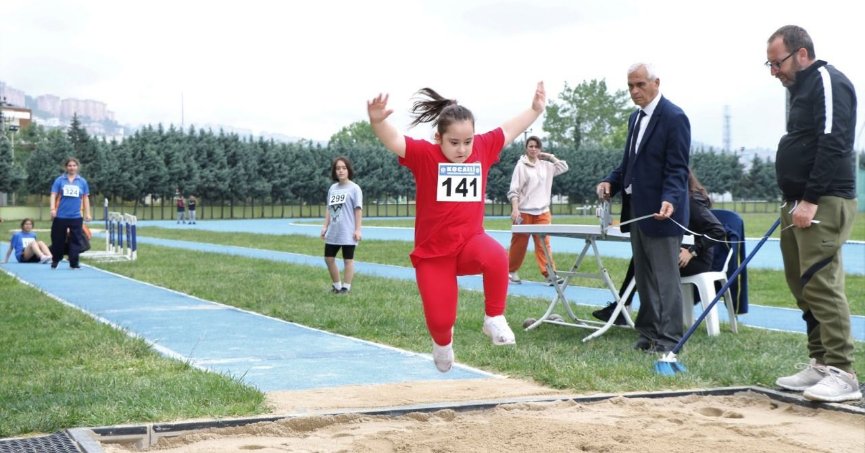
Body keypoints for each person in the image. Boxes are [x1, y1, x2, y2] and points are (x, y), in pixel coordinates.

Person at [367, 82, 545, 372]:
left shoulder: (483, 148)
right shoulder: (425, 155)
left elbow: (510, 129)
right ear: (438, 138)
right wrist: (378, 121)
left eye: (468, 141)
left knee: (497, 255)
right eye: (454, 143)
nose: (462, 149)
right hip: (434, 253)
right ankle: (442, 343)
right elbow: (395, 140)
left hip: (469, 244)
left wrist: (535, 110)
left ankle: (494, 318)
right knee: (440, 321)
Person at [765, 25, 860, 403]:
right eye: (769, 64)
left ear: (801, 53)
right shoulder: (798, 89)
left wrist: (810, 199)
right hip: (797, 202)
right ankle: (820, 362)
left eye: (778, 62)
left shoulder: (826, 80)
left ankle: (843, 372)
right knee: (800, 283)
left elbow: (835, 141)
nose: (774, 71)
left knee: (820, 284)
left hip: (823, 201)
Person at [596, 63, 690, 354]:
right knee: (644, 277)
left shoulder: (675, 118)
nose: (634, 91)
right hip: (637, 210)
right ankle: (647, 334)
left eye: (640, 85)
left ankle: (670, 339)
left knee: (665, 279)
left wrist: (671, 199)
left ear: (656, 83)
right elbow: (629, 164)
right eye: (630, 86)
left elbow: (678, 168)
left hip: (663, 212)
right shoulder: (634, 119)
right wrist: (611, 181)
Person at [593, 171, 725, 325]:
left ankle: (628, 310)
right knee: (641, 255)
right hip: (676, 252)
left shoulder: (690, 201)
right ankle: (624, 308)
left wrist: (692, 251)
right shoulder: (669, 202)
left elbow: (718, 231)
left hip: (695, 260)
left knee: (643, 259)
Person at [506, 136, 569, 286]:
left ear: (540, 148)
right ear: (526, 148)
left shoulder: (546, 165)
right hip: (524, 212)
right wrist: (515, 210)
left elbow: (563, 167)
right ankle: (510, 271)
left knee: (544, 244)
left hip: (543, 212)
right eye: (530, 146)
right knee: (519, 243)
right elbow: (514, 190)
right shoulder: (521, 166)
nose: (533, 149)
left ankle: (550, 274)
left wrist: (549, 156)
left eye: (536, 146)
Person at [321, 156, 363, 294]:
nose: (341, 171)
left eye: (344, 168)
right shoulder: (333, 188)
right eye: (338, 168)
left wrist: (357, 229)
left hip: (348, 231)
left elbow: (358, 210)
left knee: (348, 259)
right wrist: (325, 226)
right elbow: (329, 208)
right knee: (328, 258)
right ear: (335, 171)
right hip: (334, 231)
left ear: (348, 170)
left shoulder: (355, 189)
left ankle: (346, 287)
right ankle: (337, 285)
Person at [49, 157, 91, 269]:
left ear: (77, 167)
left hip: (76, 216)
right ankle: (56, 260)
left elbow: (85, 198)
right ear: (66, 167)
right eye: (69, 165)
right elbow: (53, 194)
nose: (72, 167)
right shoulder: (60, 180)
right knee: (57, 239)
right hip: (61, 216)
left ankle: (74, 262)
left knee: (76, 240)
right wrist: (52, 209)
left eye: (74, 165)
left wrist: (87, 213)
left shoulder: (82, 181)